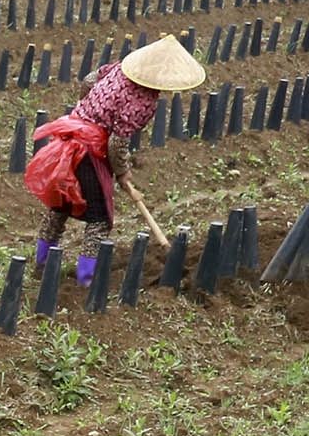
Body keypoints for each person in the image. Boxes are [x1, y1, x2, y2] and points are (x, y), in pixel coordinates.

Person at [25, 35, 204, 287]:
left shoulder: (119, 67)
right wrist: (122, 172)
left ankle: (39, 267)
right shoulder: (145, 101)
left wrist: (87, 107)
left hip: (70, 135)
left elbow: (89, 80)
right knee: (99, 220)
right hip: (88, 151)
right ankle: (85, 281)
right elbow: (116, 143)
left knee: (61, 205)